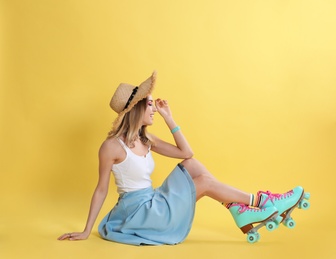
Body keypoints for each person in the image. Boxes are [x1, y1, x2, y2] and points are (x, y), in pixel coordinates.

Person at [58, 71, 309, 245]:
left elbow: (187, 154)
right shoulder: (111, 147)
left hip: (154, 200)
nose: (153, 107)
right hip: (139, 212)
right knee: (205, 183)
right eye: (148, 104)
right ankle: (260, 202)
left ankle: (241, 208)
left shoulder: (147, 139)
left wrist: (170, 118)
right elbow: (101, 189)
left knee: (192, 166)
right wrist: (85, 230)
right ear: (134, 110)